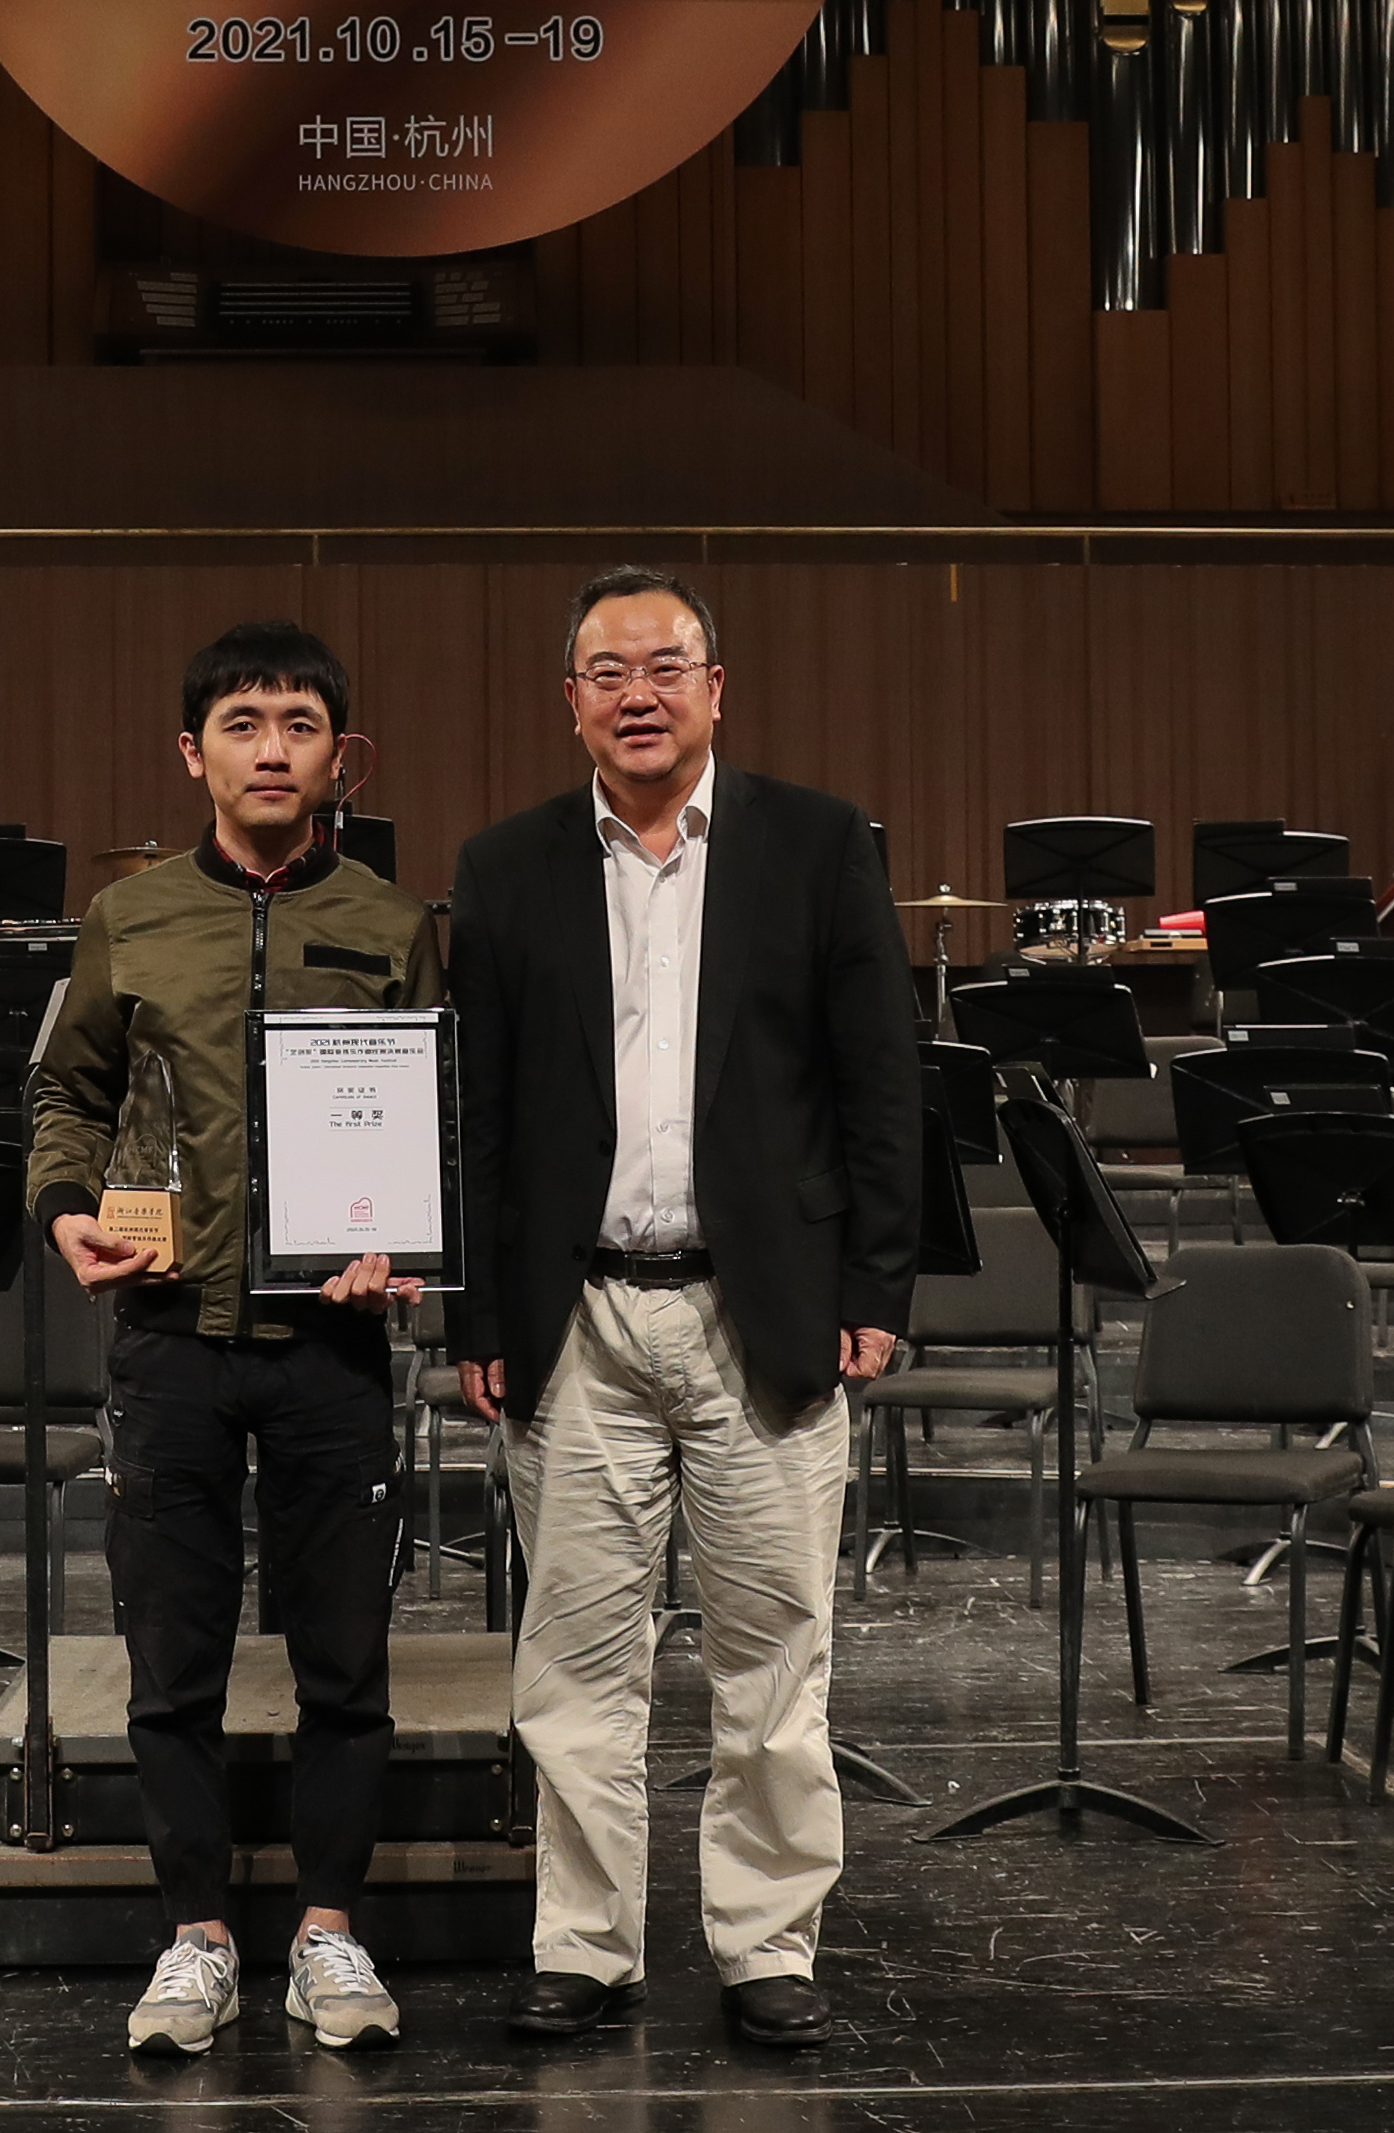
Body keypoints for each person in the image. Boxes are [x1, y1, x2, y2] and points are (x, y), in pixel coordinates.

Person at [444, 564, 919, 2050]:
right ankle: (583, 1944)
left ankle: (767, 1943)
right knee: (574, 1662)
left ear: (715, 688)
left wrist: (875, 1284)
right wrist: (476, 1316)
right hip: (574, 1314)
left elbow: (881, 1083)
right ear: (570, 700)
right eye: (608, 671)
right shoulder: (505, 866)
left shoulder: (817, 844)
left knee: (772, 1652)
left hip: (761, 1311)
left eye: (665, 666)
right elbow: (477, 1116)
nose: (637, 693)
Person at [27, 621, 441, 2057]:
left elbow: (432, 1117)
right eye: (245, 723)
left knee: (345, 1662)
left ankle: (329, 1930)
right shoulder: (129, 916)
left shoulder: (392, 920)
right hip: (169, 1336)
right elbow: (67, 1096)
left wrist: (409, 1240)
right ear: (192, 752)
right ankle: (195, 1935)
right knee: (172, 1662)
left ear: (342, 755)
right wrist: (64, 1210)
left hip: (332, 1345)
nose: (273, 749)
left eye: (300, 724)